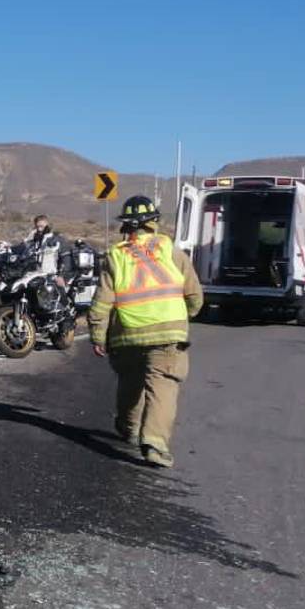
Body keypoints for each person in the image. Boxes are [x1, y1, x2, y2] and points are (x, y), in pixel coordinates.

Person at [86, 195, 204, 468]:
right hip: (166, 336)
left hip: (127, 335)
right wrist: (188, 312)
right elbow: (195, 296)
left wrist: (98, 336)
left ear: (126, 226)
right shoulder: (172, 252)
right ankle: (154, 443)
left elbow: (101, 303)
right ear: (154, 223)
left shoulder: (115, 257)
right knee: (161, 385)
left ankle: (129, 427)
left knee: (130, 382)